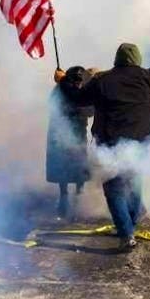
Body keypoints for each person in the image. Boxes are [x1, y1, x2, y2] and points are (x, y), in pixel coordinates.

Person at [59, 43, 150, 251]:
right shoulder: (149, 78)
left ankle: (126, 233)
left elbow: (78, 99)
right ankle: (130, 226)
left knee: (114, 189)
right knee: (133, 183)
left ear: (117, 59)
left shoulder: (102, 80)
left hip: (110, 144)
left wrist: (63, 81)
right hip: (139, 141)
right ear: (137, 59)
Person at [46, 66, 94, 219]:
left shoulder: (65, 89)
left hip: (75, 134)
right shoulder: (61, 90)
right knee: (65, 166)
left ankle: (76, 198)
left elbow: (90, 110)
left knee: (77, 166)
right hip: (62, 134)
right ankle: (66, 198)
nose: (79, 82)